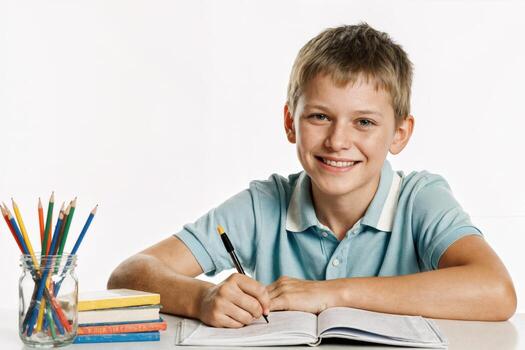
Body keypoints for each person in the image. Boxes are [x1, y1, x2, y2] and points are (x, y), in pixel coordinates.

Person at [107, 23, 516, 327]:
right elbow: (128, 274)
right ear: (290, 122)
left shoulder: (420, 199)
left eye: (364, 123)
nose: (338, 140)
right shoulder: (263, 204)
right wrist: (202, 298)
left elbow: (496, 291)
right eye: (320, 117)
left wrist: (330, 295)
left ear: (400, 134)